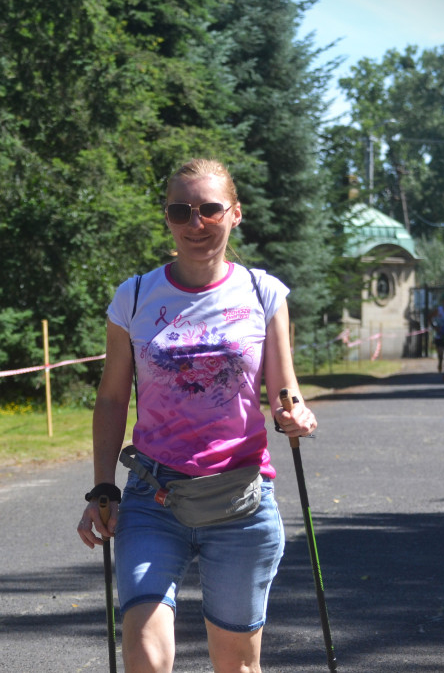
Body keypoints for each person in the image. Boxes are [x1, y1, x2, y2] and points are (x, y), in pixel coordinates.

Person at [77, 158, 318, 673]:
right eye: (180, 211)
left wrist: (295, 414)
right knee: (144, 653)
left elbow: (284, 391)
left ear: (234, 214)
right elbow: (113, 398)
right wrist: (102, 488)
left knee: (237, 666)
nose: (195, 223)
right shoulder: (135, 296)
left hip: (240, 503)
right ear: (166, 218)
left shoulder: (263, 293)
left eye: (209, 209)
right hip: (152, 497)